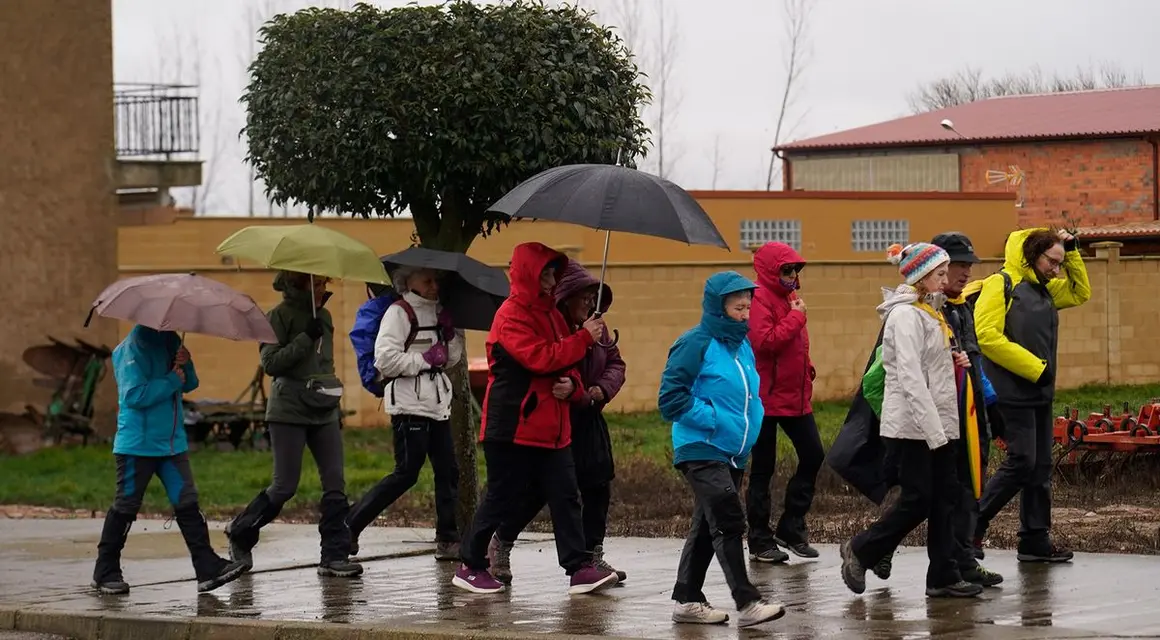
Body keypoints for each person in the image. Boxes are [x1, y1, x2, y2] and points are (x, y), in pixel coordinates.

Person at [451, 242, 618, 596]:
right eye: (545, 271)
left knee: (566, 495)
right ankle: (470, 564)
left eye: (554, 272)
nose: (551, 278)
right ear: (528, 273)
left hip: (552, 429)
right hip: (513, 427)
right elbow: (541, 358)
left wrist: (574, 386)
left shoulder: (553, 314)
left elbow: (568, 367)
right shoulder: (511, 316)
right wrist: (583, 339)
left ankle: (578, 567)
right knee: (502, 495)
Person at [839, 243, 982, 599]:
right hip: (912, 428)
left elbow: (932, 366)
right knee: (918, 499)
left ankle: (943, 576)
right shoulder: (904, 317)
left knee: (945, 498)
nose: (947, 280)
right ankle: (862, 549)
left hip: (940, 423)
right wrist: (935, 433)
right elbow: (910, 377)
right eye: (940, 274)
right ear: (920, 276)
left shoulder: (930, 312)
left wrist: (956, 361)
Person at [487, 259, 628, 584]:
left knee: (598, 485)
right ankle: (501, 543)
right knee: (538, 490)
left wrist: (598, 391)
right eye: (585, 296)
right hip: (554, 418)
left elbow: (616, 362)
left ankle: (592, 557)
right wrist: (578, 390)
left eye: (595, 297)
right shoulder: (554, 328)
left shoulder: (597, 327)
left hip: (589, 413)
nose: (591, 303)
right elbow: (551, 365)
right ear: (566, 297)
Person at [659, 271, 785, 629]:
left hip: (733, 451)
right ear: (718, 307)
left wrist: (753, 422)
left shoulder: (741, 345)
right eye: (737, 307)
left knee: (705, 525)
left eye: (748, 306)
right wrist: (713, 419)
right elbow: (670, 400)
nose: (745, 314)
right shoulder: (695, 343)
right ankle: (748, 602)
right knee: (729, 518)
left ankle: (686, 599)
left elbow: (748, 397)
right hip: (700, 447)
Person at [225, 272, 362, 578]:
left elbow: (324, 363)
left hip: (323, 409)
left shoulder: (324, 316)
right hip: (288, 409)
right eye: (315, 283)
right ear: (296, 284)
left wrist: (332, 399)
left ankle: (334, 556)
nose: (322, 288)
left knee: (335, 483)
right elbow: (271, 363)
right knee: (285, 486)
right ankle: (241, 532)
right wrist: (304, 338)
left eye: (324, 283)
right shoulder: (277, 316)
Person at [92, 326, 246, 595]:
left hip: (172, 445)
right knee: (126, 506)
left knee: (187, 502)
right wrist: (172, 380)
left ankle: (206, 567)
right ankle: (105, 570)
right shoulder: (133, 346)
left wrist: (186, 364)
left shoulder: (172, 339)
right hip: (137, 446)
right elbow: (134, 395)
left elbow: (190, 383)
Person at [972, 228, 1090, 563]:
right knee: (1022, 461)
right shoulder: (1001, 284)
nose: (1056, 269)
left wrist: (1074, 252)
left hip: (1040, 391)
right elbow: (986, 336)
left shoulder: (1046, 289)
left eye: (1059, 262)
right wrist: (1034, 368)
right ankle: (973, 522)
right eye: (1052, 261)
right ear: (1031, 255)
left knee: (1040, 467)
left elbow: (1081, 293)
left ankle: (1035, 540)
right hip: (1010, 391)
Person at [345, 267, 464, 560]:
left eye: (437, 280)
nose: (435, 285)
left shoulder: (441, 312)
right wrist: (423, 360)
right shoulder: (399, 313)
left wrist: (451, 337)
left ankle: (448, 539)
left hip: (437, 403)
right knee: (406, 474)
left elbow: (450, 359)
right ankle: (348, 525)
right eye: (428, 280)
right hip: (408, 404)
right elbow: (384, 360)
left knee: (448, 472)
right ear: (408, 281)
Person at [745, 242, 824, 563]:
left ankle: (791, 526)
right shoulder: (759, 299)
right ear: (770, 271)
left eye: (794, 270)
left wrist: (807, 368)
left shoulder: (791, 299)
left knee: (813, 454)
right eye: (786, 270)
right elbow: (765, 342)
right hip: (765, 398)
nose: (792, 276)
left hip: (793, 395)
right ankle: (760, 540)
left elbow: (793, 345)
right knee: (763, 469)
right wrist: (796, 318)